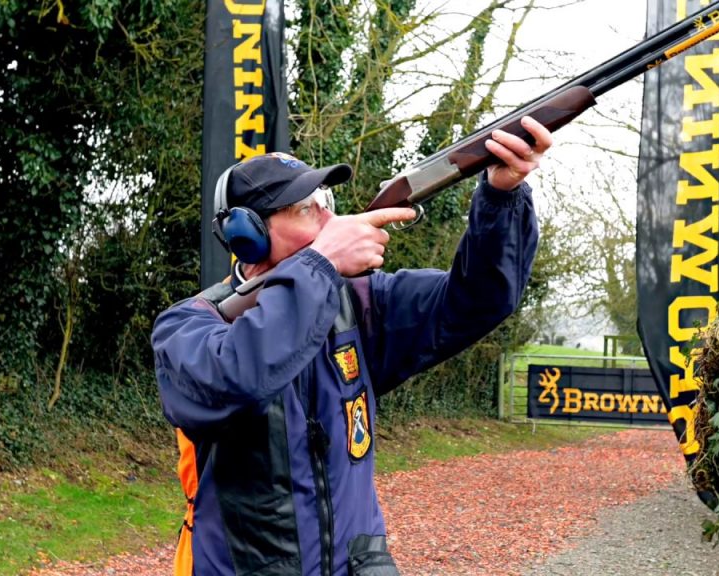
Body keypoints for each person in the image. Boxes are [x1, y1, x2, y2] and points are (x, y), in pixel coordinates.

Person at [151, 116, 553, 576]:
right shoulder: (188, 326)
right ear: (249, 235)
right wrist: (321, 264)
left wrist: (501, 195)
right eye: (306, 208)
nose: (331, 220)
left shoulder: (360, 305)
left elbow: (478, 300)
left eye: (326, 201)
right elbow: (236, 378)